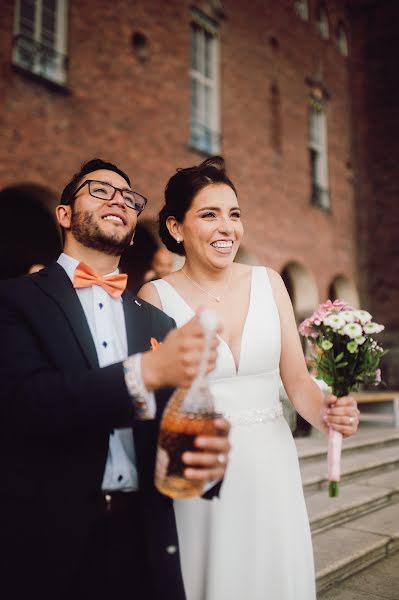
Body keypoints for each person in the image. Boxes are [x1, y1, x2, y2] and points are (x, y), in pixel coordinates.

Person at [0, 158, 231, 600]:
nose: (118, 201)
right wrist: (144, 372)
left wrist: (202, 459)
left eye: (128, 197)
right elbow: (24, 402)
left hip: (143, 539)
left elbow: (171, 426)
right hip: (49, 540)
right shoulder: (13, 299)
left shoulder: (159, 322)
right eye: (100, 190)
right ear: (64, 214)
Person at [138, 156, 360, 600]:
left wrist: (330, 414)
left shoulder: (270, 283)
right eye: (209, 214)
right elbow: (153, 399)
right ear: (176, 227)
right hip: (201, 472)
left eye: (234, 214)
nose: (227, 227)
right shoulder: (154, 298)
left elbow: (297, 382)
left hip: (271, 465)